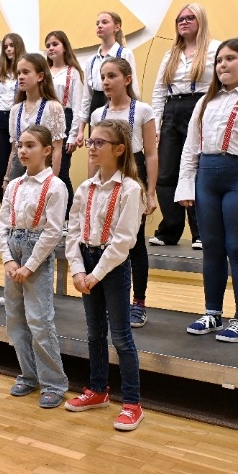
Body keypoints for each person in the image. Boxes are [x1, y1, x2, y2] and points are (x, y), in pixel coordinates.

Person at [177, 38, 238, 343]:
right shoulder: (206, 101)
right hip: (207, 178)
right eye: (219, 60)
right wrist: (186, 185)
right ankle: (212, 312)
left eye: (230, 58)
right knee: (212, 247)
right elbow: (191, 146)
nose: (223, 65)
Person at [65, 119, 146, 431]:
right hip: (87, 262)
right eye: (91, 141)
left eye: (100, 142)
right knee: (94, 333)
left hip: (111, 265)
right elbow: (73, 233)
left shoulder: (130, 189)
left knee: (121, 337)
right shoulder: (85, 188)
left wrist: (96, 274)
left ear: (119, 149)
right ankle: (98, 390)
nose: (92, 147)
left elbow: (123, 241)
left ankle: (132, 403)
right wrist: (77, 270)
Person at [0, 125, 69, 409]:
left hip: (35, 252)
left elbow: (52, 232)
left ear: (47, 150)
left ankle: (54, 383)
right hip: (14, 250)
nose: (23, 151)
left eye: (30, 146)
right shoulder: (14, 185)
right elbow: (2, 224)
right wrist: (8, 259)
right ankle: (29, 375)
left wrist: (29, 265)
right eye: (20, 146)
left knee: (39, 320)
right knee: (14, 318)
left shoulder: (55, 186)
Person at [92, 57, 158, 328]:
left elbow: (151, 154)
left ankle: (138, 302)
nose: (106, 82)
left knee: (135, 241)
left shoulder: (143, 110)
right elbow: (94, 154)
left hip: (134, 172)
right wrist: (91, 185)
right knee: (106, 239)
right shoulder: (98, 114)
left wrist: (150, 192)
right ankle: (113, 299)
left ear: (128, 79)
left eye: (112, 76)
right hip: (106, 175)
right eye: (103, 77)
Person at [150, 3, 220, 248]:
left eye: (190, 18)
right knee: (166, 173)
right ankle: (169, 231)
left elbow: (221, 85)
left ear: (201, 21)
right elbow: (159, 91)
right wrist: (156, 126)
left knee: (196, 170)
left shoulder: (215, 49)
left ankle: (200, 232)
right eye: (180, 19)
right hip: (172, 110)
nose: (184, 22)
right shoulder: (171, 54)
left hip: (199, 107)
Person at [78, 11, 138, 178]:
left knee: (119, 151)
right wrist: (81, 129)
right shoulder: (91, 61)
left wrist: (134, 111)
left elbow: (134, 86)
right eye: (97, 23)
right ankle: (94, 185)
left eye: (104, 22)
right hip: (97, 103)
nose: (100, 26)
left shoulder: (125, 54)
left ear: (116, 27)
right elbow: (86, 97)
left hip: (120, 103)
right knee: (97, 151)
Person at [4, 53, 66, 187]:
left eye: (26, 72)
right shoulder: (15, 109)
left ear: (40, 76)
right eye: (19, 73)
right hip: (18, 170)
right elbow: (14, 149)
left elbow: (57, 150)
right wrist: (7, 177)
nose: (20, 77)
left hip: (42, 170)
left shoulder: (53, 107)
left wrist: (52, 182)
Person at [45, 30, 85, 214]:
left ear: (65, 47)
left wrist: (73, 135)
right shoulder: (44, 72)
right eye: (48, 45)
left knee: (60, 171)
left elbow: (78, 106)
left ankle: (70, 214)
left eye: (55, 44)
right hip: (45, 120)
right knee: (44, 170)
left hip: (65, 118)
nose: (51, 48)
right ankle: (50, 213)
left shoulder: (73, 72)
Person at [0, 33, 26, 201]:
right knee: (3, 169)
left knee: (19, 166)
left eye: (11, 46)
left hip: (19, 117)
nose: (9, 49)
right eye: (5, 47)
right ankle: (5, 208)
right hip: (1, 119)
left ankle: (18, 207)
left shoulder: (24, 73)